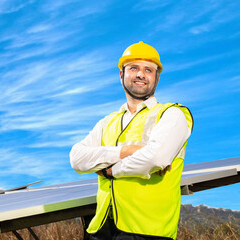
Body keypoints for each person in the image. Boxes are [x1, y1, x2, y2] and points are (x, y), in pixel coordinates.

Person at [70, 41, 193, 240]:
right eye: (133, 68)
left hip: (148, 232)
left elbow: (155, 158)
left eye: (148, 70)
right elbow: (77, 158)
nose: (140, 74)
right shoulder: (107, 122)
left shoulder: (172, 114)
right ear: (122, 75)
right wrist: (125, 152)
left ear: (157, 77)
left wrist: (109, 170)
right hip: (100, 228)